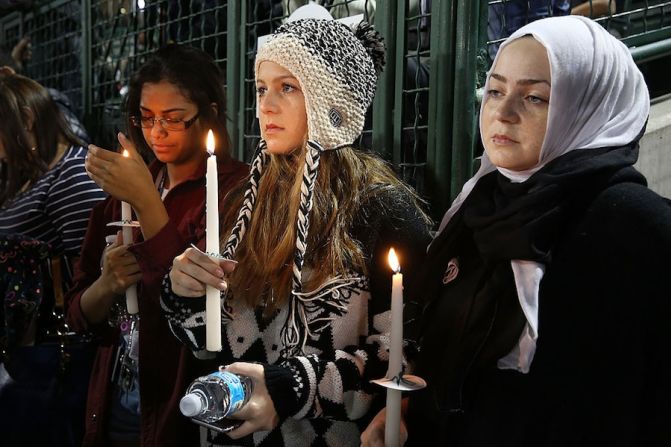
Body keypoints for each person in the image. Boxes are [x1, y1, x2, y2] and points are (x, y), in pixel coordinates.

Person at [362, 15, 671, 446]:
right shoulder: (480, 206)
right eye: (495, 90)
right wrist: (407, 411)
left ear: (588, 106)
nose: (503, 113)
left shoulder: (638, 232)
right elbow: (447, 353)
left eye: (535, 98)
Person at [162, 18, 432, 446]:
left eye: (288, 87)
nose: (265, 106)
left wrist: (290, 388)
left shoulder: (380, 210)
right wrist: (184, 295)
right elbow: (210, 345)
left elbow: (400, 359)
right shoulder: (244, 202)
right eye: (261, 87)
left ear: (335, 100)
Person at [65, 44, 247, 446]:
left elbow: (206, 301)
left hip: (184, 395)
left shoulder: (236, 191)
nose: (157, 132)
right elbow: (79, 313)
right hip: (116, 392)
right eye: (146, 118)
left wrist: (148, 201)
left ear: (209, 114)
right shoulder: (119, 196)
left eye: (173, 119)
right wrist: (106, 284)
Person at [0, 71, 106, 446]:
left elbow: (89, 271)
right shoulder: (27, 175)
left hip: (52, 350)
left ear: (27, 120)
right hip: (25, 349)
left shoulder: (71, 175)